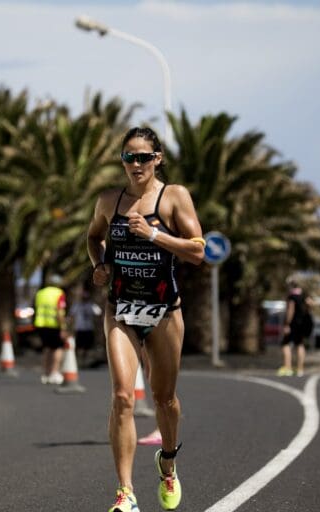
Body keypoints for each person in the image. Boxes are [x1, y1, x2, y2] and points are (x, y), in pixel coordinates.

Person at [87, 126, 205, 512]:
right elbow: (93, 237)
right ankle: (126, 493)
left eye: (143, 157)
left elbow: (197, 251)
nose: (135, 164)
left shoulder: (174, 197)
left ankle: (167, 463)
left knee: (163, 398)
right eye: (128, 157)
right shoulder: (108, 200)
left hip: (164, 313)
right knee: (122, 396)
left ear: (158, 159)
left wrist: (153, 235)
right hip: (120, 309)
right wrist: (100, 264)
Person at [33, 277, 68, 385]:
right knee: (58, 348)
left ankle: (45, 374)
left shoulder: (40, 293)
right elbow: (59, 311)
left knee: (47, 348)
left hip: (41, 324)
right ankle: (54, 372)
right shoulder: (59, 293)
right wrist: (63, 327)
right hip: (54, 325)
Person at [278, 279, 313, 377]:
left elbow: (290, 310)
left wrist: (287, 324)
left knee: (285, 344)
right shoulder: (304, 295)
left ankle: (288, 368)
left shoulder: (292, 296)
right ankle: (300, 369)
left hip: (294, 324)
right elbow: (311, 304)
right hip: (303, 323)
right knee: (300, 344)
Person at [69, 286, 103, 367]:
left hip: (89, 328)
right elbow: (71, 316)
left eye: (86, 297)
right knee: (79, 346)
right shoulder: (77, 305)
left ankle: (85, 362)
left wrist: (99, 325)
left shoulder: (91, 305)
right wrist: (70, 327)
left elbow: (99, 314)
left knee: (87, 346)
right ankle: (79, 362)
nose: (84, 298)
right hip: (80, 328)